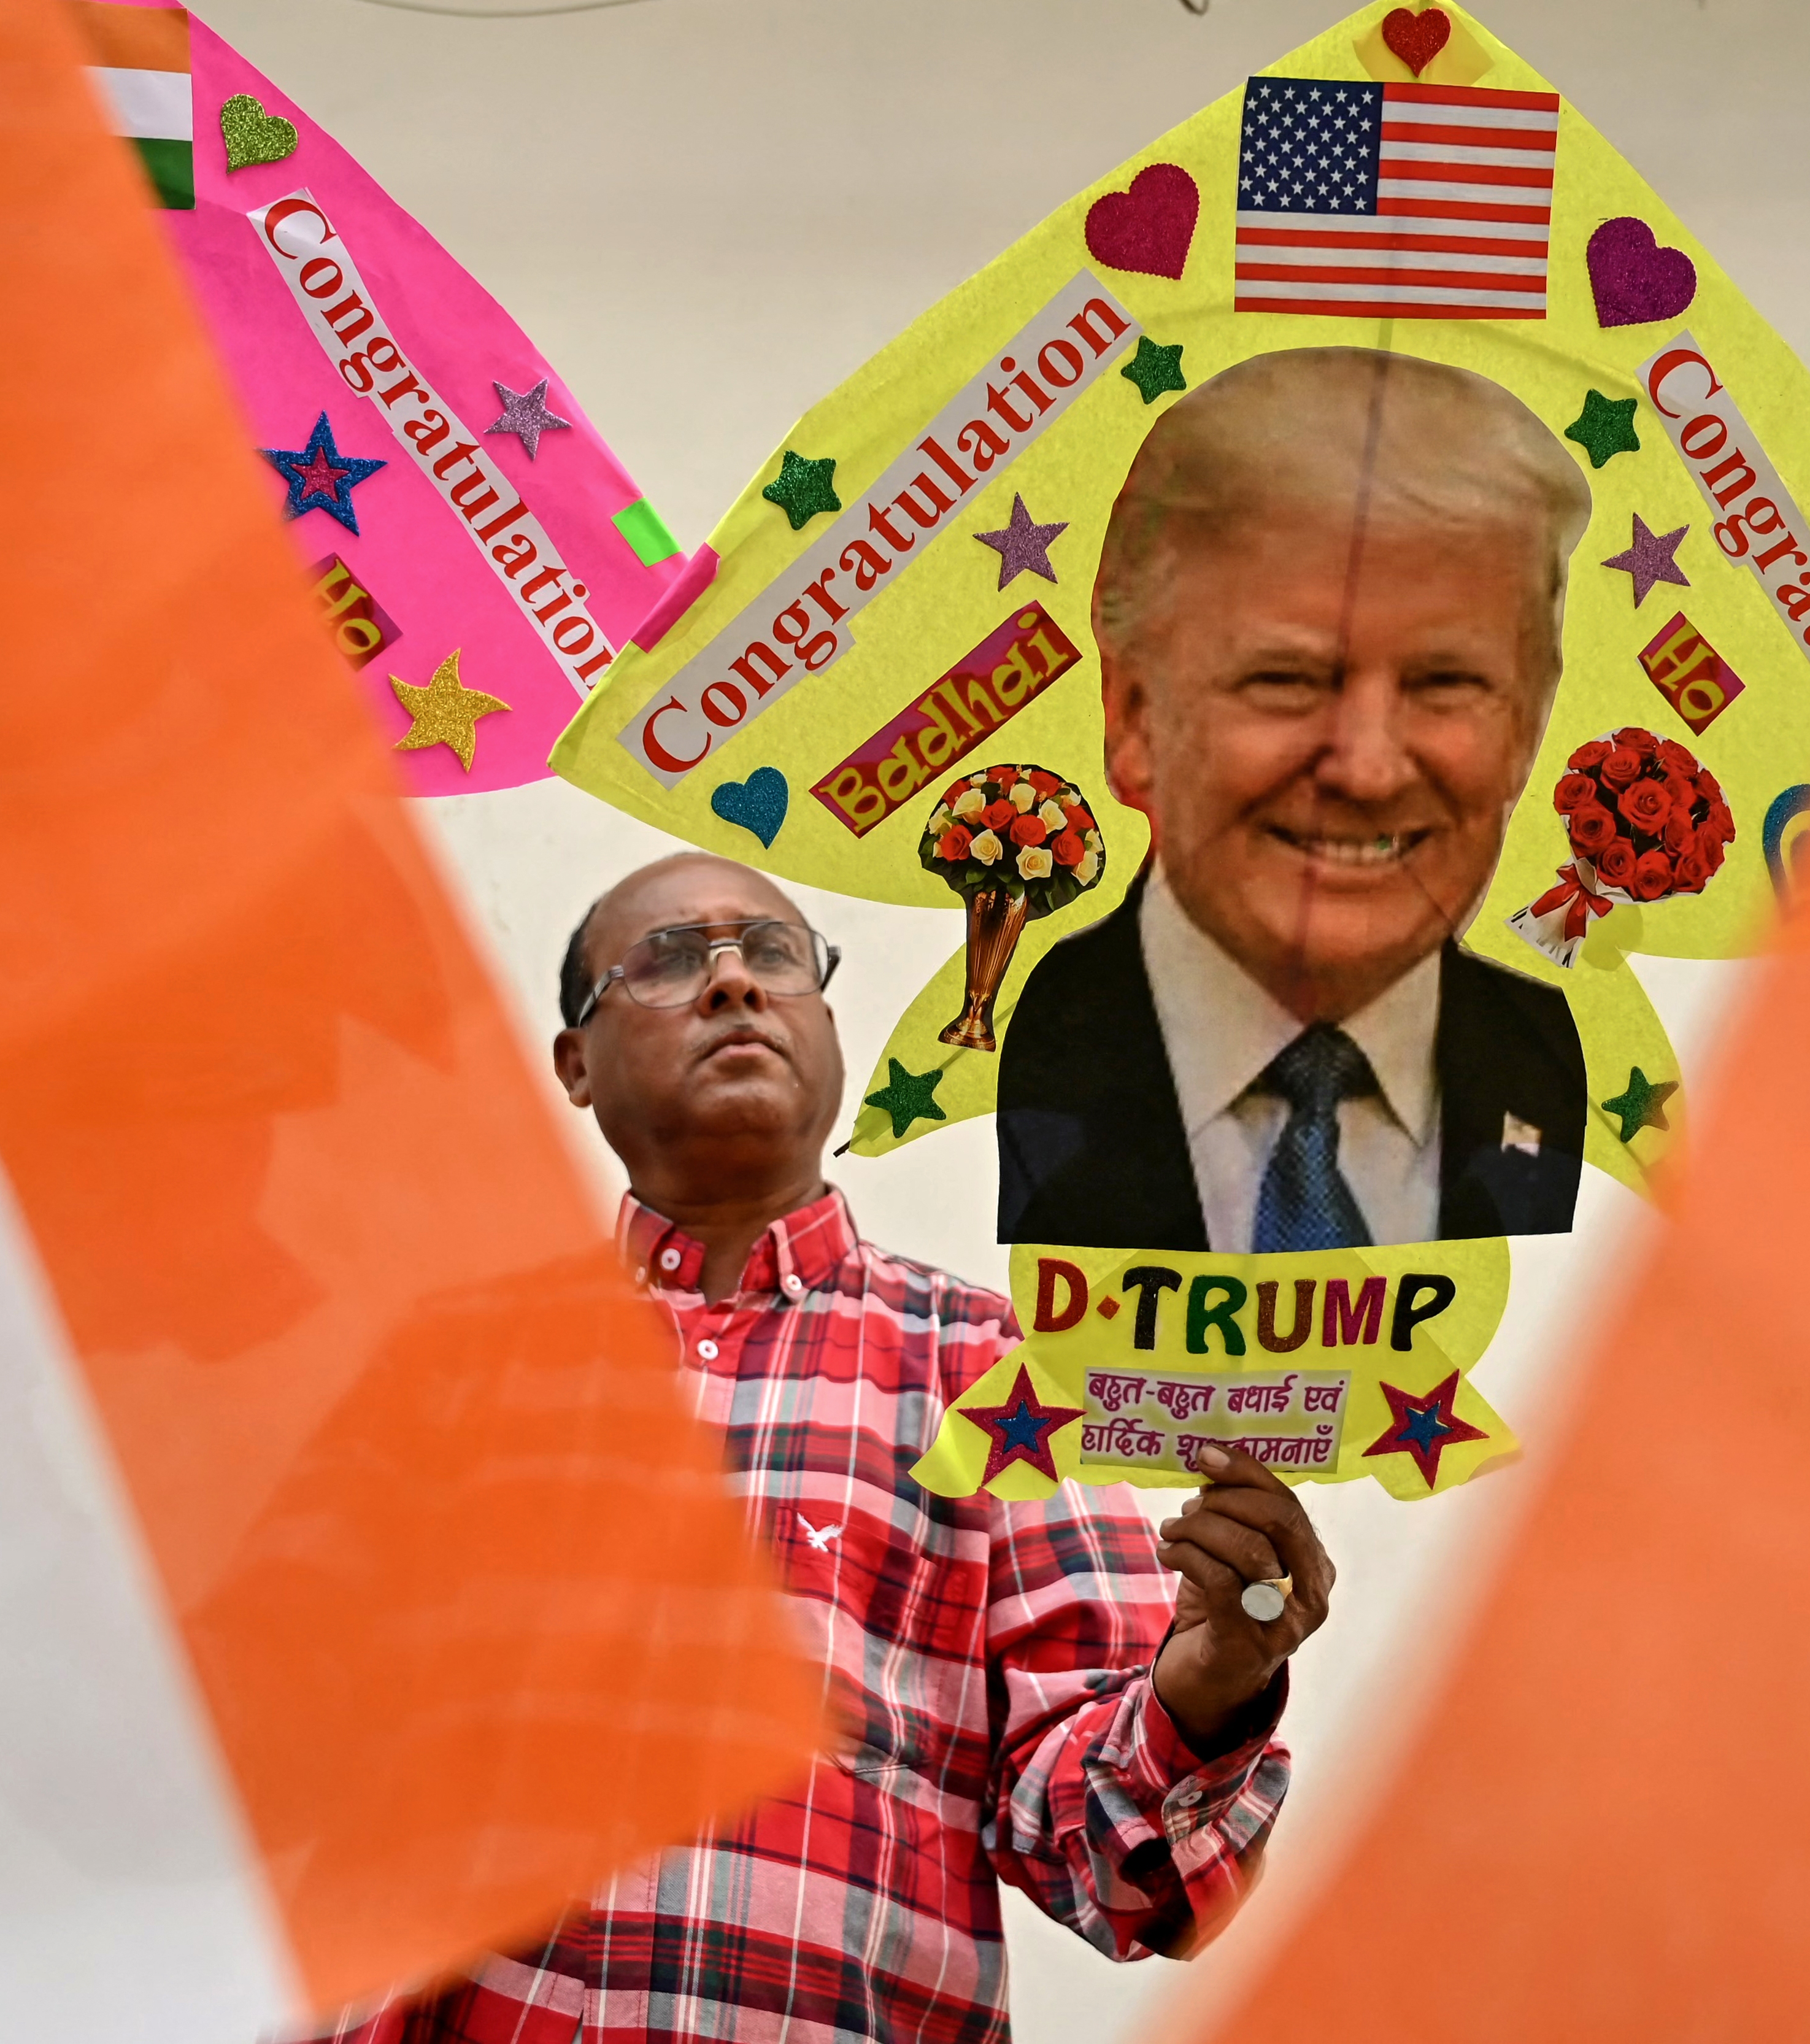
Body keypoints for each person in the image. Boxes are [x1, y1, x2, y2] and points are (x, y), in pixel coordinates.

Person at [315, 850, 1331, 2044]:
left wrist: (1210, 1679)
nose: (734, 979)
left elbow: (1118, 1867)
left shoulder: (991, 1373)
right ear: (575, 1064)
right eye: (668, 959)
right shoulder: (432, 1372)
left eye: (775, 953)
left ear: (829, 1030)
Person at [998, 347, 1596, 1254]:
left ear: (1529, 722)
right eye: (1288, 679)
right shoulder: (1009, 1062)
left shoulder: (1559, 1074)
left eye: (1444, 683)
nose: (1367, 768)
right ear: (1133, 717)